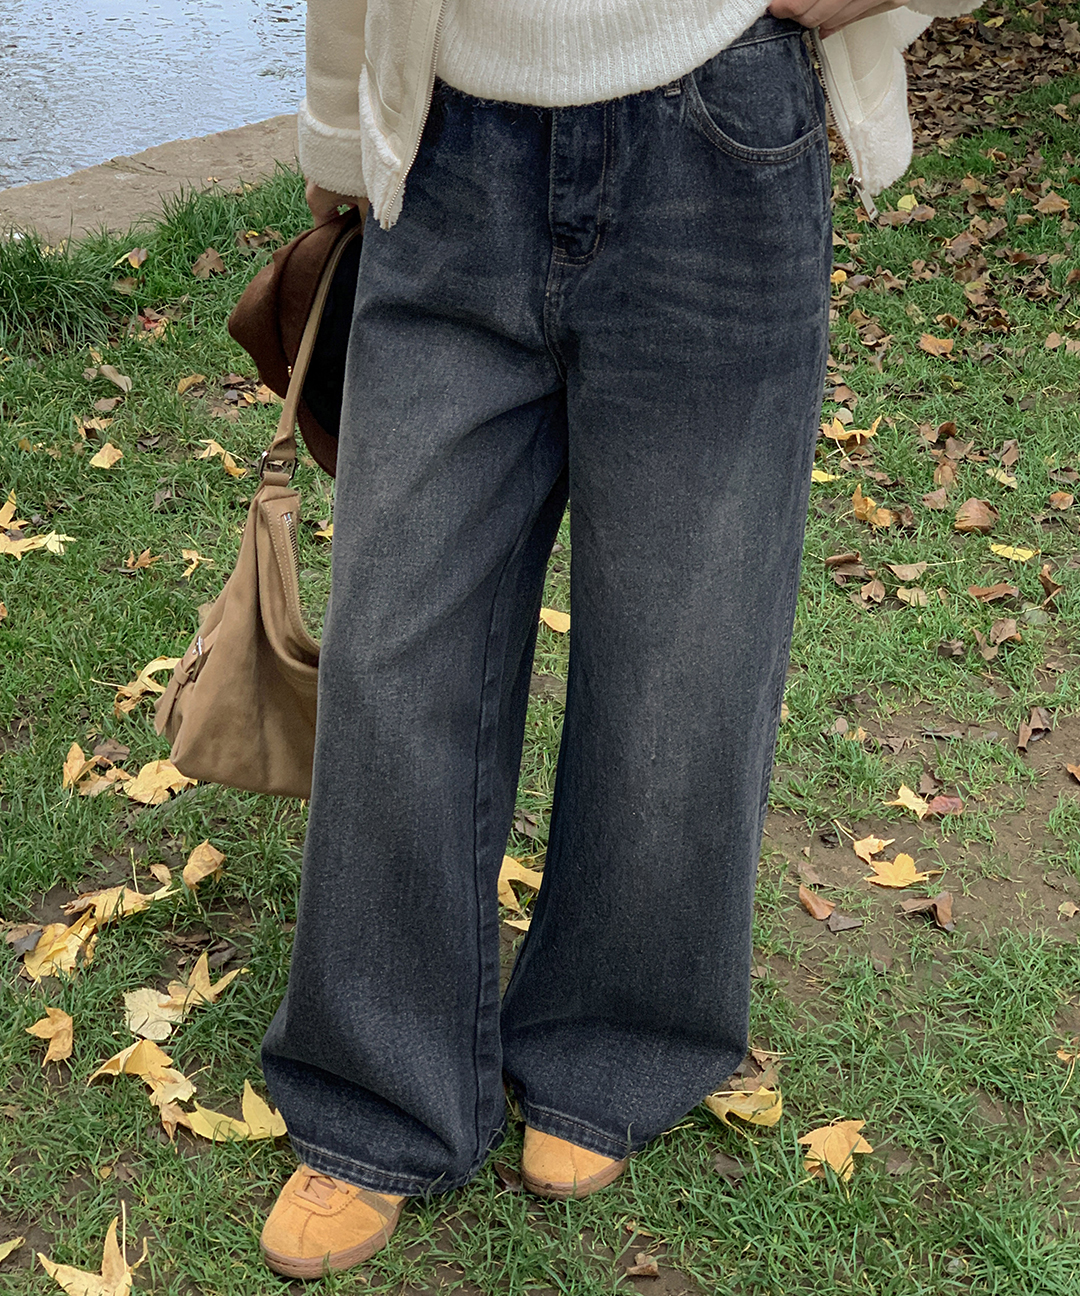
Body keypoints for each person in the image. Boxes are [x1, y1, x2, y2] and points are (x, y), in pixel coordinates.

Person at [259, 0, 980, 1278]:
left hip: (720, 132)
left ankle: (617, 1044)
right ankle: (380, 1085)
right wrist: (335, 133)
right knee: (394, 648)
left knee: (683, 660)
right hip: (446, 147)